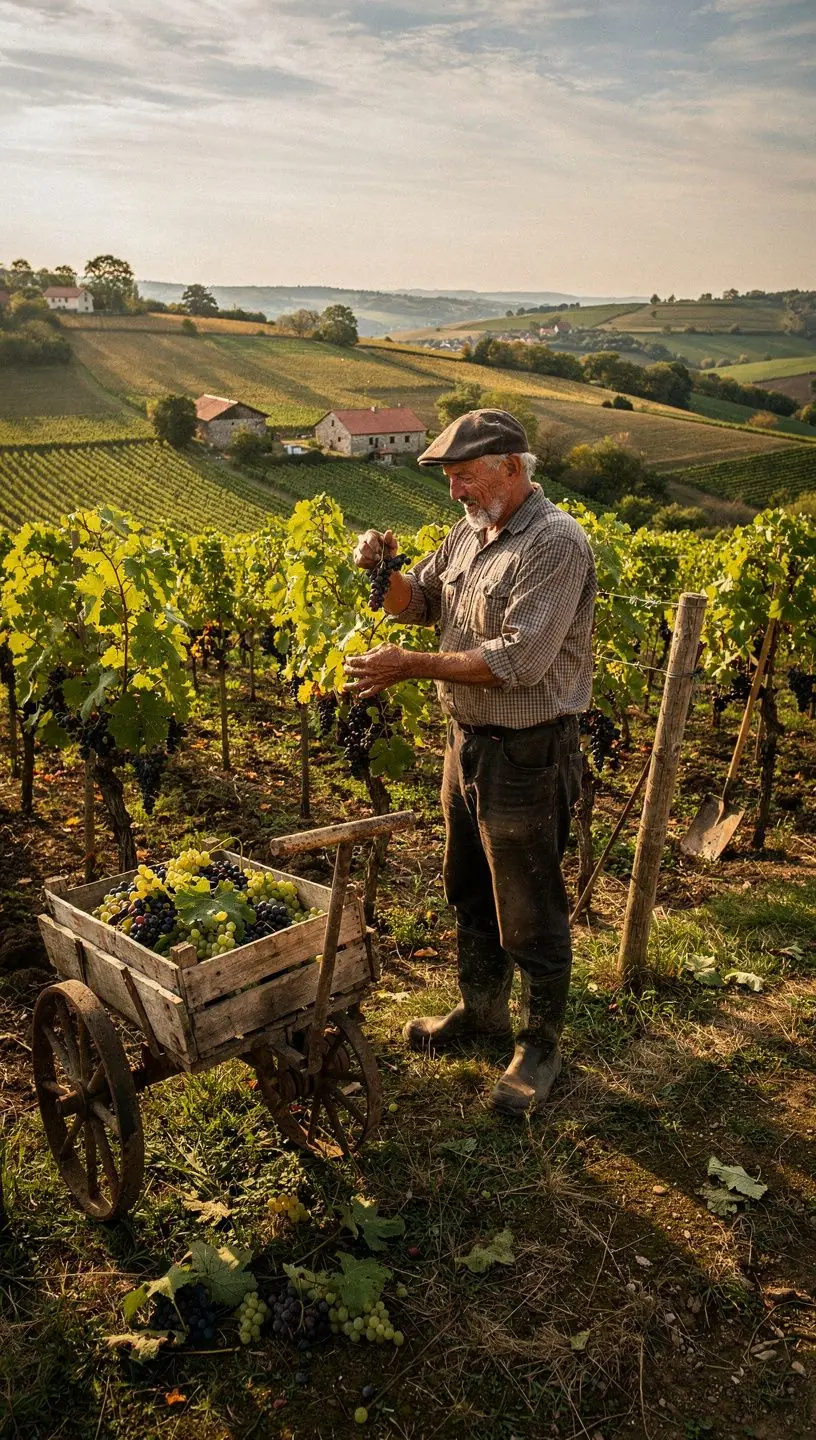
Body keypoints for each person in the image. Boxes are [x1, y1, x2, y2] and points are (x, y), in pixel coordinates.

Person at [346, 409, 596, 1117]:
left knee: (530, 907)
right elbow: (419, 603)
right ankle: (481, 1012)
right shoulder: (469, 532)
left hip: (528, 752)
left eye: (465, 476)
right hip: (468, 744)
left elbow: (519, 659)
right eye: (450, 479)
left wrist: (410, 666)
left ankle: (539, 1047)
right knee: (470, 888)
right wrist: (384, 570)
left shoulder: (554, 542)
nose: (454, 491)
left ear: (512, 467)